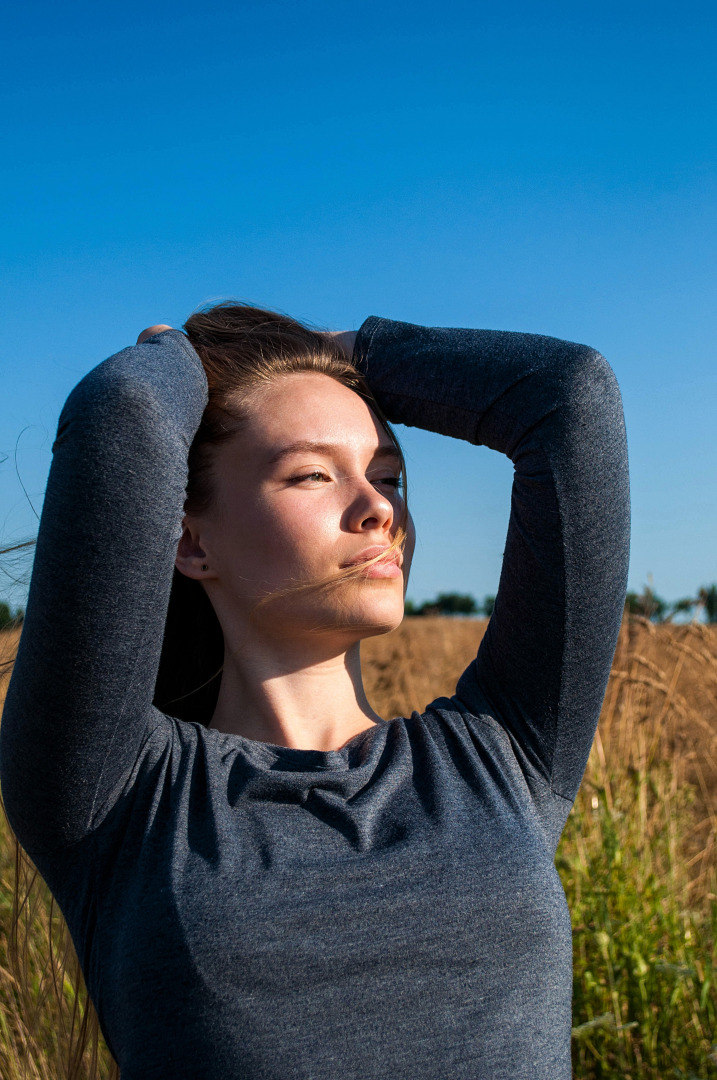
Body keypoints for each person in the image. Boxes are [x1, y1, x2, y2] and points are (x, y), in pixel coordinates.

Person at [0, 303, 630, 1079]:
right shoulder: (117, 798)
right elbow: (125, 415)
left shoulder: (503, 757)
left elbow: (571, 396)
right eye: (311, 474)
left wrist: (349, 352)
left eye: (388, 475)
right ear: (191, 540)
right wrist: (177, 353)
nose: (378, 510)